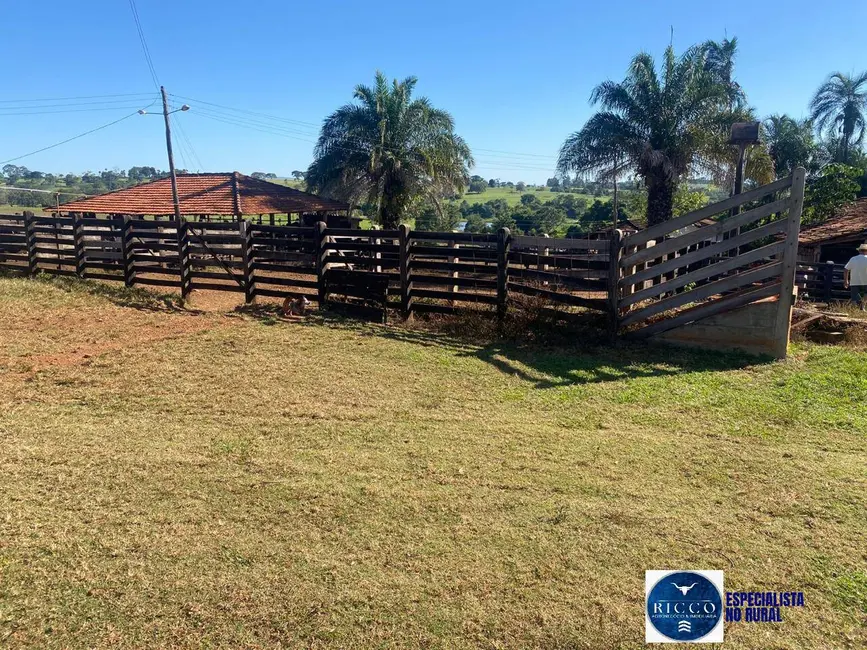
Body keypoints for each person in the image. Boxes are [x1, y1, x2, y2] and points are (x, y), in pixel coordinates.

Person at [843, 243, 867, 308]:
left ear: (859, 251)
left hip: (854, 281)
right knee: (866, 293)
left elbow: (846, 269)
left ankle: (854, 308)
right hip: (865, 281)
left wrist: (846, 281)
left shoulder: (853, 258)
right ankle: (863, 306)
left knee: (854, 296)